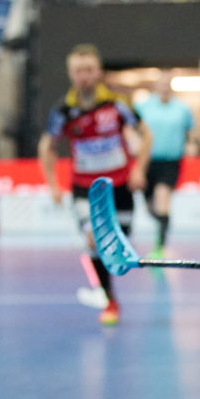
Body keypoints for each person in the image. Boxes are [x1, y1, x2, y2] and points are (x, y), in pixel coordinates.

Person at [39, 44, 151, 326]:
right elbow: (47, 146)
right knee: (94, 240)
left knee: (119, 245)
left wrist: (139, 168)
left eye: (88, 70)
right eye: (78, 71)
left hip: (121, 186)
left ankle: (107, 285)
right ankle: (110, 299)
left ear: (98, 71)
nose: (84, 76)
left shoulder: (117, 104)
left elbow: (146, 134)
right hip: (85, 189)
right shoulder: (64, 111)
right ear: (70, 74)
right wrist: (52, 183)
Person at [134, 75, 195, 256]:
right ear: (155, 86)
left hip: (170, 161)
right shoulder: (143, 107)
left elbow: (190, 131)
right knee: (149, 207)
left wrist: (191, 144)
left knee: (162, 201)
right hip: (148, 161)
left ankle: (159, 247)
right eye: (161, 84)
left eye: (167, 85)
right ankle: (163, 221)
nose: (165, 88)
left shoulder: (182, 109)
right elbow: (133, 129)